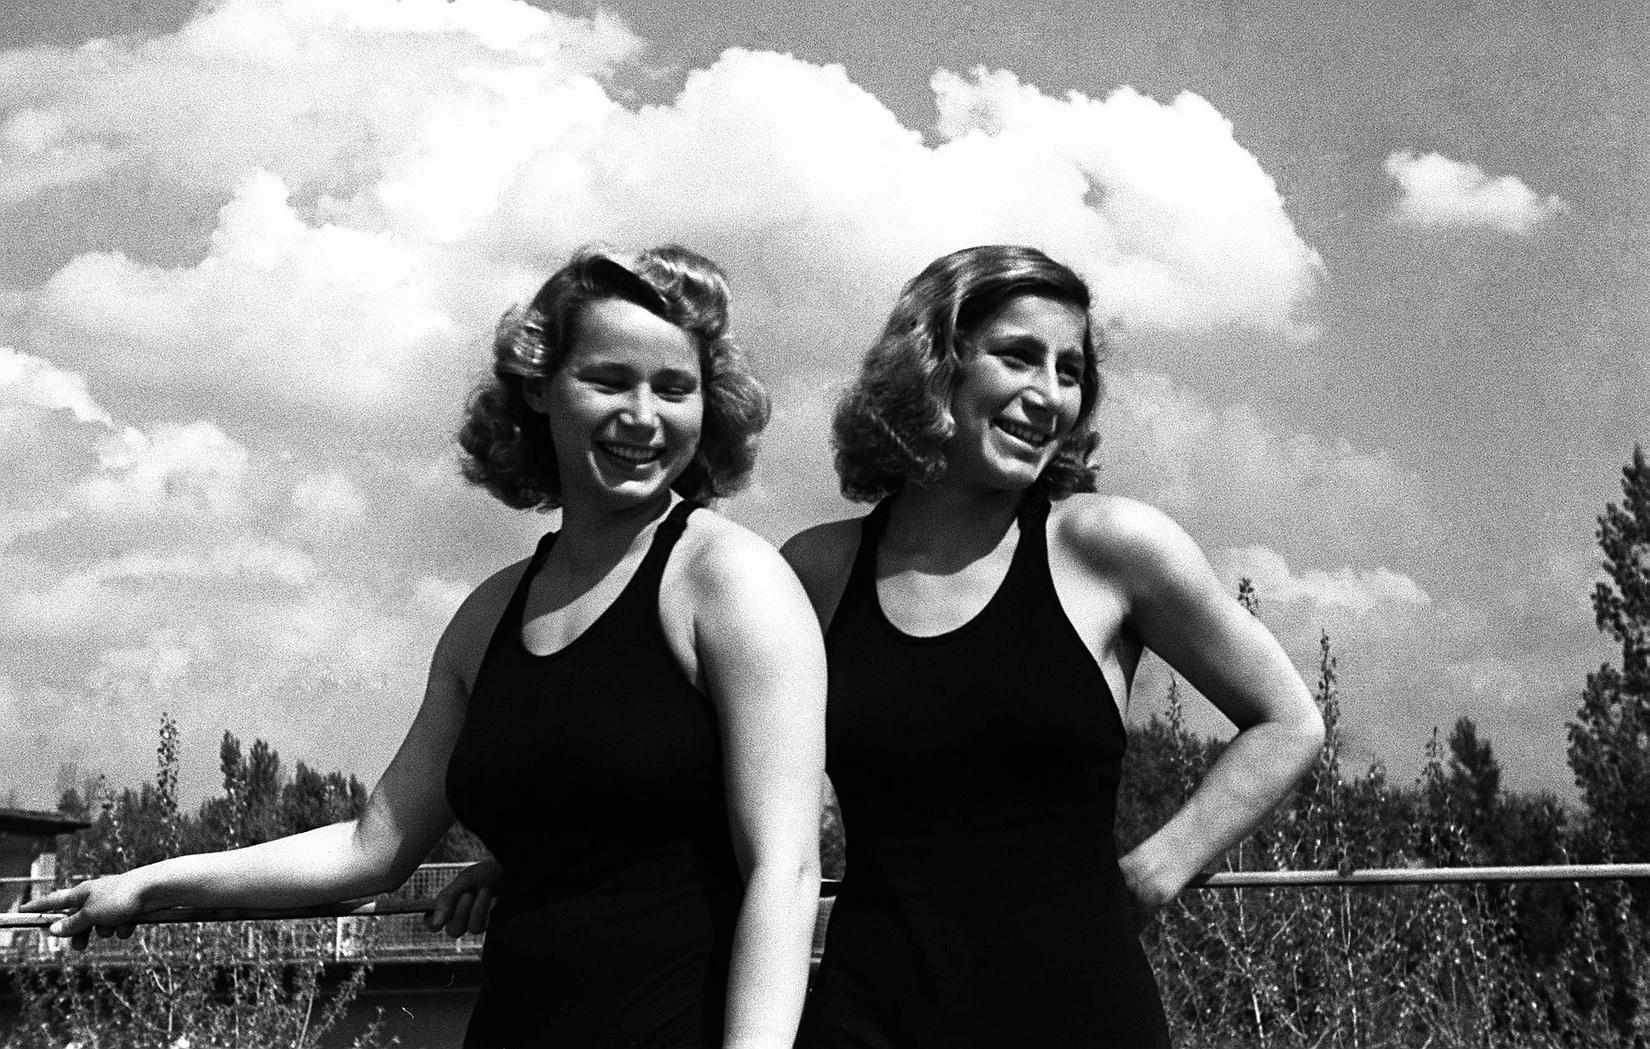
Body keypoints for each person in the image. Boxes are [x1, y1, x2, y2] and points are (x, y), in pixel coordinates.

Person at [25, 244, 827, 1049]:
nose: (644, 415)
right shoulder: (487, 617)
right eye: (609, 380)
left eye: (675, 388)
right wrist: (150, 884)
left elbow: (784, 870)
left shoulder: (731, 582)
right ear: (539, 388)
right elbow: (369, 848)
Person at [780, 245, 1325, 1048]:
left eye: (1069, 371)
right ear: (932, 364)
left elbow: (1289, 721)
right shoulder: (815, 571)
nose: (1049, 395)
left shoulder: (1110, 547)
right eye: (1017, 356)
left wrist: (1156, 869)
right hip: (867, 1020)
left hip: (1080, 1015)